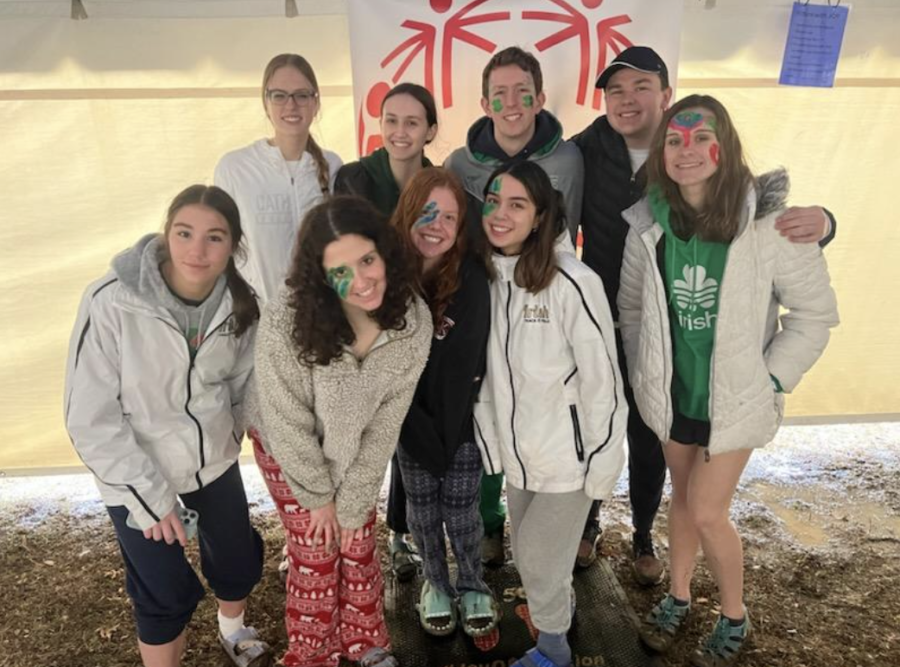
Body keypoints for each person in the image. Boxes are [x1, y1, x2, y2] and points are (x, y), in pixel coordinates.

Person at [570, 45, 838, 578]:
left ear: (665, 96)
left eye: (640, 87)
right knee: (595, 428)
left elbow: (768, 238)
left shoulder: (722, 190)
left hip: (686, 352)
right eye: (615, 91)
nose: (627, 100)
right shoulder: (584, 150)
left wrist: (827, 222)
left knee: (652, 444)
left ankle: (645, 538)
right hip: (602, 323)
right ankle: (587, 527)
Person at [618, 95, 839, 666]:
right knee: (684, 501)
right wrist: (646, 370)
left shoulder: (768, 226)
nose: (685, 149)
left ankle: (734, 614)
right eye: (674, 139)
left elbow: (813, 316)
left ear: (725, 146)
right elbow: (634, 308)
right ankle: (678, 595)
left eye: (699, 136)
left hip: (736, 400)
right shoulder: (647, 225)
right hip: (673, 395)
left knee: (709, 510)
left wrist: (771, 378)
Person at [64, 185, 269, 667]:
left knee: (237, 561)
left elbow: (244, 388)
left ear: (234, 245)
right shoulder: (112, 301)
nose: (197, 250)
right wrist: (152, 500)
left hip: (211, 463)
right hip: (135, 473)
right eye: (184, 233)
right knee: (162, 592)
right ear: (166, 233)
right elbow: (89, 418)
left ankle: (233, 629)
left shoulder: (242, 305)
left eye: (214, 237)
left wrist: (232, 437)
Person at [247, 195, 432, 667]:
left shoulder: (412, 321)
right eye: (341, 272)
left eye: (367, 260)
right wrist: (318, 497)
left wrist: (352, 505)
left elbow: (387, 421)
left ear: (384, 251)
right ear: (321, 278)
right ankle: (312, 652)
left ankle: (364, 640)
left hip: (357, 448)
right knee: (316, 547)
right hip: (288, 447)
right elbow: (286, 418)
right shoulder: (287, 320)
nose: (362, 280)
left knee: (357, 538)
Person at [474, 161, 627, 667]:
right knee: (538, 557)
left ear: (540, 216)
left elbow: (603, 377)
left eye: (516, 204)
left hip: (569, 459)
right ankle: (554, 610)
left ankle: (554, 650)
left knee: (538, 558)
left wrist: (603, 459)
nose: (500, 213)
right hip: (520, 455)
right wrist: (492, 441)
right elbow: (490, 374)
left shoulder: (572, 281)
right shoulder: (487, 277)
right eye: (493, 201)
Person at [446, 45, 584, 567]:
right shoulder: (461, 163)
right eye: (498, 92)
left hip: (545, 299)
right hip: (486, 298)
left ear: (540, 97)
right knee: (489, 407)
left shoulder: (568, 158)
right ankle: (490, 522)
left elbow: (576, 225)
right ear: (484, 102)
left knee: (547, 406)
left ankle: (562, 521)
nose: (511, 101)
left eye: (520, 90)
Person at [334, 82, 438, 582]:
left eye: (412, 122)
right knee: (355, 430)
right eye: (392, 120)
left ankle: (399, 535)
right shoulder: (354, 177)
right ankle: (336, 530)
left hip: (421, 321)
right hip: (362, 322)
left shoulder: (439, 182)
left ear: (430, 130)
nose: (401, 131)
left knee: (406, 426)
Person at [388, 167, 498, 637]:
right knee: (423, 513)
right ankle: (435, 582)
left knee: (461, 510)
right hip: (409, 423)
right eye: (427, 212)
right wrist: (413, 430)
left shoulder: (472, 279)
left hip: (461, 425)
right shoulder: (385, 277)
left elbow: (467, 365)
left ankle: (472, 582)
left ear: (461, 226)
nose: (436, 225)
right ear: (408, 213)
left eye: (448, 217)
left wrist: (447, 437)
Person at [215, 53, 342, 303]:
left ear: (315, 103)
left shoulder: (333, 166)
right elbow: (223, 247)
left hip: (319, 317)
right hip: (258, 320)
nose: (291, 105)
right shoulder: (235, 168)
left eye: (302, 95)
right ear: (266, 103)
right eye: (279, 95)